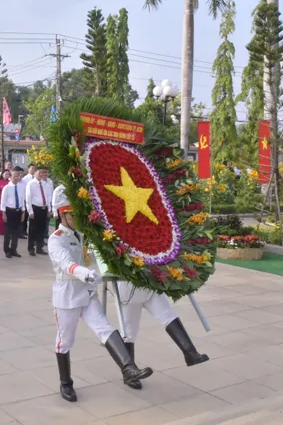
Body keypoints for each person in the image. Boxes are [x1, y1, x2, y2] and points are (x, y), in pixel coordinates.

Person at [47, 185, 152, 401]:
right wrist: (85, 273)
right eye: (72, 214)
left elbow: (95, 254)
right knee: (64, 341)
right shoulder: (56, 239)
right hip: (67, 295)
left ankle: (128, 368)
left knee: (104, 328)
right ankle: (66, 382)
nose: (77, 218)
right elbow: (66, 264)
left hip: (86, 292)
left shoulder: (83, 234)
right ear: (61, 214)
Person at [116, 281, 208, 384]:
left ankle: (190, 353)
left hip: (150, 285)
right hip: (129, 292)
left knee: (168, 315)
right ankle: (130, 374)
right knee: (129, 332)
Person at [26, 167, 52, 256]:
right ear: (34, 173)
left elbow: (48, 197)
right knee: (33, 229)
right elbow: (28, 198)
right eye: (39, 172)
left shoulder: (45, 184)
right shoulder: (31, 184)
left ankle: (39, 247)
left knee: (41, 229)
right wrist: (30, 211)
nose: (41, 174)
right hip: (35, 208)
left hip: (44, 208)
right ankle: (31, 248)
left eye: (42, 172)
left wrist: (49, 209)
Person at [0, 167, 25, 259]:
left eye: (18, 176)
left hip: (18, 211)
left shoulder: (21, 187)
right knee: (8, 232)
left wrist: (23, 212)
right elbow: (3, 201)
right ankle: (7, 250)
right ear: (10, 176)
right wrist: (4, 213)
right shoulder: (7, 187)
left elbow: (22, 200)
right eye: (15, 176)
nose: (17, 178)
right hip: (9, 211)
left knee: (16, 232)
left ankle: (14, 249)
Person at [0, 170, 10, 235]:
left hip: (7, 201)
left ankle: (5, 230)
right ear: (2, 174)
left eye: (8, 174)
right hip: (0, 200)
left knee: (6, 215)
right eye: (5, 174)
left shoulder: (9, 182)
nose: (7, 175)